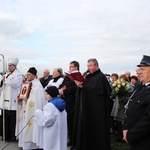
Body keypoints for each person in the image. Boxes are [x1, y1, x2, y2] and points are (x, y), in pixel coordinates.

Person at [74, 58, 112, 150]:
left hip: (97, 110)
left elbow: (93, 88)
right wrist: (80, 83)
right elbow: (86, 87)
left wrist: (82, 84)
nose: (88, 68)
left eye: (90, 66)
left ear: (96, 66)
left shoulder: (100, 76)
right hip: (89, 108)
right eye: (87, 66)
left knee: (97, 130)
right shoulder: (89, 76)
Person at [122, 55, 150, 150]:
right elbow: (129, 107)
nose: (138, 72)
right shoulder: (141, 87)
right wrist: (125, 127)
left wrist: (130, 135)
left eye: (143, 69)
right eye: (139, 69)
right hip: (135, 139)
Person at [16, 67, 46, 149]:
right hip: (25, 108)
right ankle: (23, 144)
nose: (27, 76)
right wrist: (20, 98)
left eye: (29, 75)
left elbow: (38, 99)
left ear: (34, 76)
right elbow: (22, 94)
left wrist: (28, 98)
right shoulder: (26, 83)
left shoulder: (38, 86)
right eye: (27, 75)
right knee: (24, 125)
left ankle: (33, 146)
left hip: (32, 110)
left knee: (32, 127)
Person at [34, 86, 67, 150]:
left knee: (52, 146)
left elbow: (46, 121)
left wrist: (38, 113)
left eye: (47, 94)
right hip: (60, 132)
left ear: (51, 94)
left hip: (52, 133)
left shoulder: (50, 106)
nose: (45, 96)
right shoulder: (61, 104)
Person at [0, 57, 23, 141]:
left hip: (12, 100)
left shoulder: (18, 74)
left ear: (15, 66)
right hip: (4, 99)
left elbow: (15, 84)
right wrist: (3, 80)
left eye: (10, 66)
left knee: (12, 119)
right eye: (8, 65)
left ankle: (12, 136)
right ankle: (5, 135)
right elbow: (3, 84)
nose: (9, 67)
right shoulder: (6, 74)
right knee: (4, 118)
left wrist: (6, 79)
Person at [59, 61, 79, 147]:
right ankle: (70, 139)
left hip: (73, 102)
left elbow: (74, 88)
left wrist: (64, 91)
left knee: (73, 122)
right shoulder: (67, 76)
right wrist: (60, 90)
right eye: (69, 66)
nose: (70, 68)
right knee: (68, 122)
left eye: (71, 66)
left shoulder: (78, 76)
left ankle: (74, 141)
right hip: (66, 101)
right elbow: (63, 85)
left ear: (76, 67)